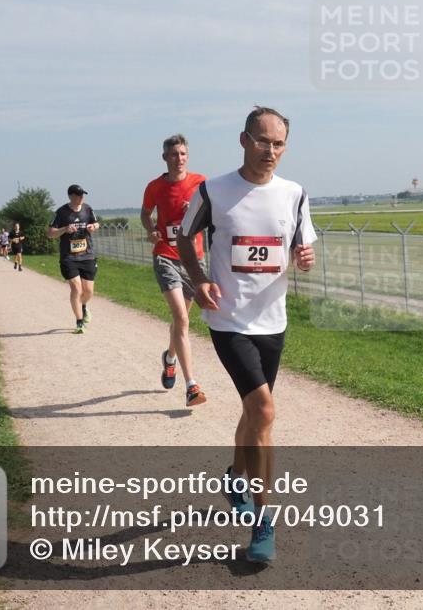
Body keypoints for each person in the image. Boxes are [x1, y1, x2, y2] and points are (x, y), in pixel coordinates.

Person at [178, 106, 316, 563]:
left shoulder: (294, 194)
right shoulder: (214, 191)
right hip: (228, 320)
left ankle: (235, 476)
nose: (269, 151)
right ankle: (263, 521)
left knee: (253, 415)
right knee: (264, 409)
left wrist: (304, 257)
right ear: (243, 140)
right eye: (262, 141)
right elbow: (183, 238)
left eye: (278, 144)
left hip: (272, 321)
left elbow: (300, 243)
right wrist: (198, 280)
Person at [140, 134, 208, 407]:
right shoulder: (155, 187)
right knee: (181, 318)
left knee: (181, 322)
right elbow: (145, 214)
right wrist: (152, 229)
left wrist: (196, 213)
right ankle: (192, 386)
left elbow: (214, 215)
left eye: (182, 154)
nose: (178, 159)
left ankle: (170, 359)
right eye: (173, 154)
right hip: (166, 256)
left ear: (187, 156)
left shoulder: (201, 183)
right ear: (165, 157)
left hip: (192, 259)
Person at [48, 185, 99, 334]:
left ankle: (83, 306)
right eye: (78, 195)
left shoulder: (88, 209)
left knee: (88, 291)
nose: (82, 197)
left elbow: (96, 223)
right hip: (69, 257)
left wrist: (93, 226)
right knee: (77, 288)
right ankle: (79, 322)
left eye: (83, 194)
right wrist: (64, 229)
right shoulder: (61, 212)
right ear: (70, 196)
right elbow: (50, 233)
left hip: (87, 255)